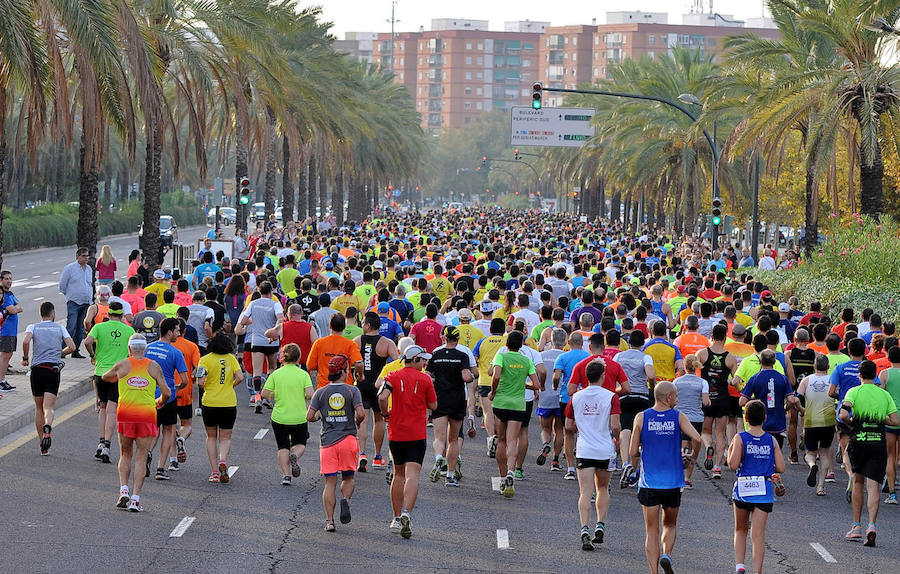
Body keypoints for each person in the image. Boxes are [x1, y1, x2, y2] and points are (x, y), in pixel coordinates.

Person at [628, 381, 702, 574]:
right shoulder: (678, 417)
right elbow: (698, 439)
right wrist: (692, 457)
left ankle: (654, 571)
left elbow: (632, 451)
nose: (677, 399)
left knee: (651, 530)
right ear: (668, 397)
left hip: (649, 482)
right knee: (669, 524)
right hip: (673, 481)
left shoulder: (641, 417)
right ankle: (667, 554)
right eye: (676, 396)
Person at [102, 335, 169, 512]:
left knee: (125, 454)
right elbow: (167, 392)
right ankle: (135, 499)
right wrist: (160, 401)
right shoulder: (153, 366)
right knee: (141, 456)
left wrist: (118, 378)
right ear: (145, 349)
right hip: (146, 415)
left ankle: (123, 489)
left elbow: (104, 377)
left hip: (125, 414)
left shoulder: (122, 364)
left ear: (129, 349)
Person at [379, 345, 438, 539]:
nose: (425, 363)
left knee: (398, 474)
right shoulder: (425, 379)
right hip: (417, 433)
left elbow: (382, 396)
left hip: (397, 433)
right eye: (423, 360)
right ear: (414, 360)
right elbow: (433, 405)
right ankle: (407, 514)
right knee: (413, 475)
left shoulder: (392, 376)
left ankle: (396, 518)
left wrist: (385, 412)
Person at [839, 360, 899, 547]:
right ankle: (871, 525)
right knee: (874, 486)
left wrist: (852, 423)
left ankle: (856, 526)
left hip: (859, 441)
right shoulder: (884, 394)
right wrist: (882, 419)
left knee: (858, 481)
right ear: (875, 376)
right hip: (878, 442)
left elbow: (842, 414)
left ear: (860, 375)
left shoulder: (854, 392)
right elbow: (895, 421)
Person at [564, 359, 621, 551]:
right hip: (605, 448)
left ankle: (584, 529)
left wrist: (583, 427)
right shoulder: (611, 397)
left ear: (585, 377)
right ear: (603, 376)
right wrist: (617, 439)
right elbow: (615, 425)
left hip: (584, 449)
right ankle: (600, 525)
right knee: (603, 488)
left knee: (585, 492)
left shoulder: (576, 397)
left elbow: (568, 426)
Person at [307, 355, 365, 532]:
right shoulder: (352, 391)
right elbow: (361, 413)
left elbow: (309, 416)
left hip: (328, 442)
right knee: (348, 477)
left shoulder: (321, 392)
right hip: (348, 439)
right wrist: (356, 422)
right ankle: (345, 500)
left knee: (329, 483)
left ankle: (330, 521)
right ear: (344, 371)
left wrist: (320, 416)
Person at [728, 399, 786, 574]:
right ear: (765, 418)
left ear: (746, 417)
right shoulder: (771, 440)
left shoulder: (740, 437)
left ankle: (740, 566)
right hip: (764, 490)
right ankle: (757, 571)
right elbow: (781, 467)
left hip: (744, 488)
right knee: (758, 535)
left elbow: (732, 464)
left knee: (740, 529)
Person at [489, 330, 541, 498]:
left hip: (501, 402)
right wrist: (522, 384)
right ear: (521, 346)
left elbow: (496, 375)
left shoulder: (502, 356)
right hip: (518, 404)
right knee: (513, 440)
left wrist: (493, 391)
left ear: (506, 344)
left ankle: (503, 478)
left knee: (501, 440)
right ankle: (512, 471)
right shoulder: (526, 360)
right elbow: (537, 384)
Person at [20, 302, 76, 455]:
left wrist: (25, 357)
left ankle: (42, 445)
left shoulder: (33, 327)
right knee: (48, 407)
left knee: (38, 408)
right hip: (53, 370)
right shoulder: (59, 327)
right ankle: (48, 427)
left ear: (40, 314)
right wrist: (59, 353)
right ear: (53, 314)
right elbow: (72, 347)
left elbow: (25, 341)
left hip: (37, 370)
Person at [426, 325, 477, 487]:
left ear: (444, 338)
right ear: (458, 339)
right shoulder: (462, 355)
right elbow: (466, 376)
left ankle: (438, 458)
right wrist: (469, 378)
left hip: (439, 398)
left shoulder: (436, 353)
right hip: (457, 399)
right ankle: (450, 475)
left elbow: (428, 375)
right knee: (453, 439)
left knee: (438, 438)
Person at [84, 302, 135, 463]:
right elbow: (133, 351)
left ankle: (100, 442)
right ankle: (107, 444)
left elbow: (87, 341)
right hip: (118, 374)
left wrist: (93, 354)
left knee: (102, 408)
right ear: (121, 315)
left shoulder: (99, 327)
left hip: (100, 373)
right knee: (113, 410)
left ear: (109, 314)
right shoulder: (129, 330)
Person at [261, 343, 314, 485]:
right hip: (299, 416)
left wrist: (274, 394)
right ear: (299, 358)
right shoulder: (303, 375)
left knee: (282, 446)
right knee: (300, 444)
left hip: (279, 417)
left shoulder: (276, 374)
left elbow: (264, 394)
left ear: (282, 358)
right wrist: (304, 396)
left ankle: (286, 476)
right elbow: (310, 394)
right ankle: (295, 456)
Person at [196, 332, 243, 484]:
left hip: (210, 402)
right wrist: (230, 385)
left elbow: (200, 382)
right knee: (225, 437)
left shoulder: (205, 360)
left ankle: (215, 471)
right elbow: (240, 377)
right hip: (228, 402)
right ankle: (223, 460)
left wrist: (209, 385)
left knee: (211, 437)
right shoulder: (231, 358)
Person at [145, 318, 189, 481]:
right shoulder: (175, 352)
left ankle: (146, 455)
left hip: (149, 397)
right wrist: (177, 388)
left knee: (152, 431)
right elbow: (185, 380)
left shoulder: (148, 348)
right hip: (168, 397)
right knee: (168, 432)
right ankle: (160, 469)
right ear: (169, 332)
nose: (178, 333)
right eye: (177, 330)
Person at [354, 312, 398, 472]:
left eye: (363, 322)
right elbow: (397, 363)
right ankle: (377, 456)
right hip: (379, 385)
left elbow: (349, 360)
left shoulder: (357, 341)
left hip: (361, 383)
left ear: (368, 325)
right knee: (379, 420)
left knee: (362, 420)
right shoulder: (387, 343)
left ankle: (362, 454)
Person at [695, 323, 737, 479]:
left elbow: (692, 368)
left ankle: (708, 447)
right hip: (723, 398)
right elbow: (735, 381)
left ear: (711, 336)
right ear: (725, 337)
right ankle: (717, 467)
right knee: (721, 433)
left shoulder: (702, 353)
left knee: (706, 431)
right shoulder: (730, 358)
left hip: (707, 398)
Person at [239, 281, 284, 412]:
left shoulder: (253, 303)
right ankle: (268, 398)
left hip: (257, 341)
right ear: (271, 292)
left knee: (256, 372)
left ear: (259, 291)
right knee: (271, 369)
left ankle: (257, 398)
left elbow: (243, 321)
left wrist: (255, 321)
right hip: (271, 340)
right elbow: (280, 319)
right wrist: (274, 331)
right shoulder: (276, 304)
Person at [795, 353, 835, 496]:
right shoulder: (833, 380)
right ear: (828, 366)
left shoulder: (806, 380)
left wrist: (801, 410)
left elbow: (795, 399)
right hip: (829, 422)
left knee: (810, 453)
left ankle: (812, 465)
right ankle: (820, 487)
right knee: (824, 453)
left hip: (811, 422)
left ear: (814, 366)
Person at [671, 354, 709, 488]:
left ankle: (679, 476)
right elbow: (705, 402)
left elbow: (672, 399)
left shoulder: (676, 382)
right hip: (696, 418)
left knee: (682, 446)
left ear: (685, 367)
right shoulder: (702, 382)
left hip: (681, 417)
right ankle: (687, 478)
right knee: (694, 448)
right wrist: (707, 401)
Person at [536, 328, 567, 471]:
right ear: (565, 341)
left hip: (545, 396)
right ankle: (555, 460)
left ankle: (545, 444)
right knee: (559, 429)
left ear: (551, 340)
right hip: (561, 397)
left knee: (545, 428)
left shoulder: (541, 355)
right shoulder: (566, 356)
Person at [306, 313, 363, 389]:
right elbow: (358, 363)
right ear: (344, 327)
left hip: (324, 387)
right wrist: (360, 375)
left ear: (330, 326)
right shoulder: (350, 345)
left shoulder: (319, 343)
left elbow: (310, 365)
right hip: (345, 387)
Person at [59, 248, 94, 358]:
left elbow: (89, 284)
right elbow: (62, 285)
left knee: (81, 328)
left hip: (86, 302)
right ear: (78, 257)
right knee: (71, 326)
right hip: (73, 302)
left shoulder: (88, 269)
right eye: (84, 256)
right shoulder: (69, 268)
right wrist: (69, 295)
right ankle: (63, 350)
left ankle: (76, 350)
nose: (86, 258)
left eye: (87, 256)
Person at [877, 345, 900, 504]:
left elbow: (881, 395)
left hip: (891, 418)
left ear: (889, 358)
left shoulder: (884, 374)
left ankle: (892, 494)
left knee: (890, 456)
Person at [0, 270, 23, 390]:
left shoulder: (10, 294)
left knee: (8, 355)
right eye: (6, 279)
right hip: (5, 330)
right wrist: (15, 308)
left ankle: (2, 380)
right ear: (1, 280)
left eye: (10, 279)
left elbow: (20, 306)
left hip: (12, 330)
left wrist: (16, 308)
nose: (9, 281)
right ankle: (1, 381)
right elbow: (14, 310)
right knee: (5, 355)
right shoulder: (2, 295)